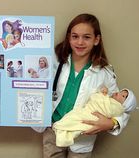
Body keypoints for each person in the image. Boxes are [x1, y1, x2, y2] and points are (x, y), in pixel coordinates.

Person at [32, 13, 130, 158]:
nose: (80, 42)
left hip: (82, 134)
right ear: (69, 38)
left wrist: (111, 123)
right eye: (75, 36)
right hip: (53, 129)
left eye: (87, 37)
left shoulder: (105, 73)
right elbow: (24, 53)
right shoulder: (54, 61)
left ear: (96, 40)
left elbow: (121, 106)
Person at [53, 87, 137, 147]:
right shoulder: (54, 65)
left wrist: (112, 123)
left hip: (89, 121)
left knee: (75, 122)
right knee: (70, 118)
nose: (117, 93)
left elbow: (123, 112)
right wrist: (103, 95)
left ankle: (63, 134)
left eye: (123, 96)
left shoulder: (108, 73)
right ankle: (62, 131)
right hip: (52, 121)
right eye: (120, 92)